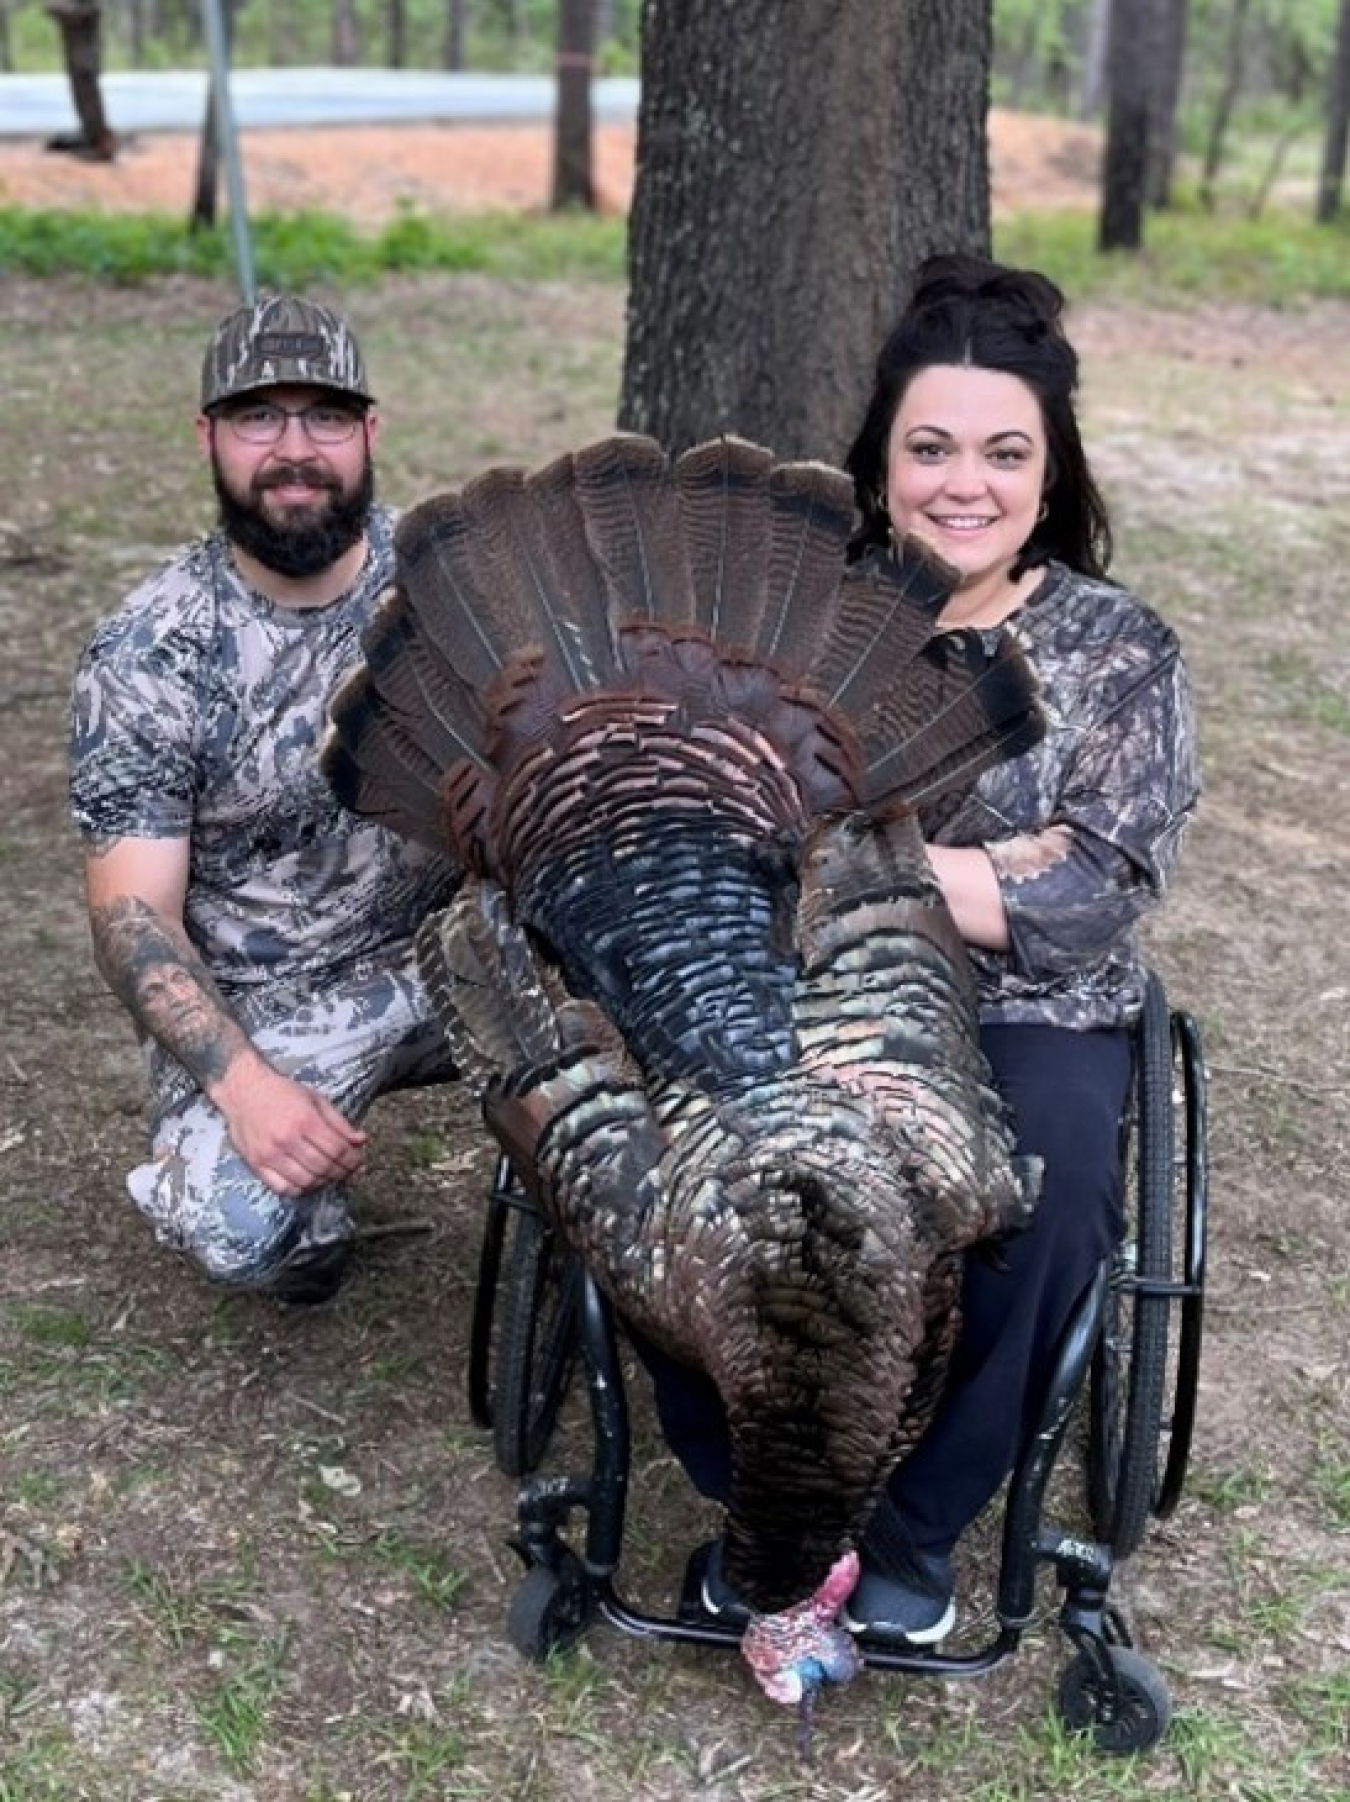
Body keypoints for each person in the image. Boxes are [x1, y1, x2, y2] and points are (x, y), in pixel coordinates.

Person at [656, 253, 1200, 1641]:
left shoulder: (1115, 650)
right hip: (798, 992)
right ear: (880, 461)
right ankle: (766, 1501)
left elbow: (1088, 886)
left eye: (1003, 452)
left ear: (1048, 466)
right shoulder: (797, 614)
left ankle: (910, 1530)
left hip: (1029, 1005)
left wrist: (850, 861)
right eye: (932, 448)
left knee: (1056, 1186)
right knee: (681, 1159)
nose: (966, 482)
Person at [68, 292, 459, 1305]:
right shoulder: (148, 652)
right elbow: (132, 915)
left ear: (370, 430)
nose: (294, 448)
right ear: (208, 436)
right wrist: (246, 1088)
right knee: (248, 1236)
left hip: (456, 955)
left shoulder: (453, 581)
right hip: (261, 1008)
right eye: (258, 417)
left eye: (325, 415)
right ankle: (302, 1199)